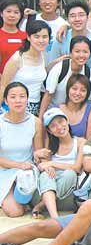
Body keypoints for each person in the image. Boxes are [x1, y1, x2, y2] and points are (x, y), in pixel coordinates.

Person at [32, 108, 85, 219]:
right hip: (51, 184)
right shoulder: (50, 145)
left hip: (69, 188)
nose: (59, 127)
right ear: (50, 131)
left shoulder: (80, 142)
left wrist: (52, 164)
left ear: (67, 121)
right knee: (46, 175)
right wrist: (41, 160)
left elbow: (77, 168)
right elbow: (42, 165)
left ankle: (41, 205)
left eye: (61, 121)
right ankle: (55, 218)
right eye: (53, 126)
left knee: (70, 173)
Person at [0, 82, 43, 217]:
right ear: (6, 100)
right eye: (13, 97)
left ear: (27, 99)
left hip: (27, 172)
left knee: (18, 205)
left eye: (22, 96)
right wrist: (18, 165)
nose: (18, 100)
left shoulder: (35, 122)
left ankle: (23, 197)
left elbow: (38, 151)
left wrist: (41, 159)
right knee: (14, 212)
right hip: (5, 170)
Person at [49, 0, 91, 93]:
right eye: (72, 16)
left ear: (87, 17)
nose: (77, 19)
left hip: (90, 94)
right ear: (67, 19)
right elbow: (50, 68)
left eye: (81, 15)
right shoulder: (60, 39)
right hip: (62, 94)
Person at [39, 36, 91, 117]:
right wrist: (41, 119)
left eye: (85, 52)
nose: (81, 55)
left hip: (75, 115)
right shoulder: (60, 68)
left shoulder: (88, 73)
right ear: (70, 53)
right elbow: (48, 95)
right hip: (54, 114)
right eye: (77, 51)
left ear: (90, 54)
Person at [0, 20, 51, 115]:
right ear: (28, 37)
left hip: (35, 107)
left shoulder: (42, 55)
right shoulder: (17, 58)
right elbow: (3, 86)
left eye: (45, 37)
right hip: (14, 107)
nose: (41, 40)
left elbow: (38, 73)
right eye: (36, 36)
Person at [59, 74, 91, 139]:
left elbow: (88, 139)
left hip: (82, 147)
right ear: (68, 89)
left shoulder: (90, 109)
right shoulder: (57, 110)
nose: (78, 93)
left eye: (83, 90)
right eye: (74, 89)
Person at [0, 0, 26, 74]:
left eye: (16, 12)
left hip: (23, 80)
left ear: (21, 15)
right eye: (8, 11)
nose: (12, 15)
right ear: (1, 13)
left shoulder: (26, 37)